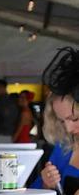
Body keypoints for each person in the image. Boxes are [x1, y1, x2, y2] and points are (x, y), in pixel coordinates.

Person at [32, 47, 79, 192]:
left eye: (75, 118)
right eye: (62, 121)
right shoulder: (64, 146)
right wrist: (47, 185)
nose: (68, 129)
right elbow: (36, 190)